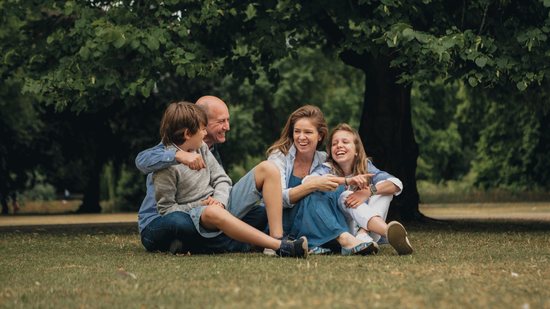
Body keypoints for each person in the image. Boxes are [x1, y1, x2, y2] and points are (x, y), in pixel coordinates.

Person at [149, 101, 307, 257]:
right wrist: (201, 204)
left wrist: (219, 201)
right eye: (202, 130)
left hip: (221, 203)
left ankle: (276, 238)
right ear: (187, 134)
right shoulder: (165, 168)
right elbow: (166, 210)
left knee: (268, 168)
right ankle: (281, 247)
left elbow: (222, 179)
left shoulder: (201, 147)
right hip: (199, 215)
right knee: (213, 212)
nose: (204, 134)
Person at [136, 96, 257, 254]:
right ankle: (241, 244)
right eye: (221, 121)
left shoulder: (206, 150)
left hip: (204, 214)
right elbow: (141, 160)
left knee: (257, 212)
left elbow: (221, 181)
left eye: (228, 120)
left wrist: (218, 203)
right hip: (163, 219)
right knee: (182, 223)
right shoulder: (166, 150)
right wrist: (178, 156)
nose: (227, 126)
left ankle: (190, 243)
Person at [266, 105, 377, 255]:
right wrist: (313, 185)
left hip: (314, 222)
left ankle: (318, 242)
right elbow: (278, 200)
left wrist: (368, 189)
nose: (301, 137)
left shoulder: (324, 159)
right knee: (317, 191)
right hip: (283, 222)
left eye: (308, 132)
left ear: (320, 135)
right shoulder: (279, 156)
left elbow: (360, 173)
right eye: (297, 131)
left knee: (332, 188)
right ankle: (344, 239)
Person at [305, 123, 413, 255]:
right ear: (330, 151)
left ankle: (364, 234)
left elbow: (396, 183)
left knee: (383, 192)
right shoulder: (326, 168)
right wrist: (345, 181)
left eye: (345, 142)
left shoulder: (366, 167)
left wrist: (368, 192)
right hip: (343, 231)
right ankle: (388, 232)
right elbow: (307, 181)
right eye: (334, 144)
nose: (339, 145)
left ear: (356, 150)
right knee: (346, 195)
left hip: (368, 232)